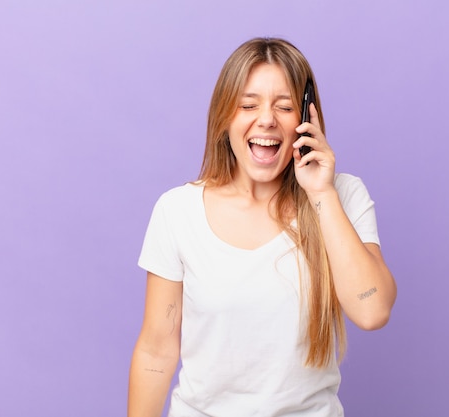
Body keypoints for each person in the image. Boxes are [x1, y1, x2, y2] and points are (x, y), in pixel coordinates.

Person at [128, 37, 397, 417]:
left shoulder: (341, 196)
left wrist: (321, 194)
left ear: (306, 119)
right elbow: (157, 347)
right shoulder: (178, 211)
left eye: (285, 106)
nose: (267, 119)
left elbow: (373, 311)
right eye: (248, 105)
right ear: (225, 117)